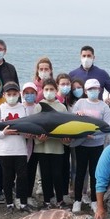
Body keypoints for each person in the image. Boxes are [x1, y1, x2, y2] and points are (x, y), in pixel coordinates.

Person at [70, 78, 110, 213]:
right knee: (80, 173)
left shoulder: (104, 106)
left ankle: (95, 201)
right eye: (90, 89)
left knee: (95, 174)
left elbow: (107, 127)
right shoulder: (80, 103)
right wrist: (77, 116)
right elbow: (72, 122)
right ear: (85, 91)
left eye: (95, 89)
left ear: (100, 90)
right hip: (81, 144)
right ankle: (77, 200)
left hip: (97, 145)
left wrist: (95, 136)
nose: (93, 91)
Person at [0, 81, 32, 211]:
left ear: (19, 94)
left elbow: (29, 128)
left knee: (22, 176)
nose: (12, 96)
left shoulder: (24, 109)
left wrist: (26, 134)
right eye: (9, 94)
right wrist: (4, 133)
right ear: (4, 95)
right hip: (4, 150)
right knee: (7, 176)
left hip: (20, 149)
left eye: (14, 94)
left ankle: (23, 202)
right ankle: (9, 203)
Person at [35, 79, 70, 208]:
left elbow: (67, 127)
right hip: (42, 147)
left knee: (57, 174)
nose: (49, 92)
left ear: (56, 90)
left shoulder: (62, 107)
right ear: (42, 91)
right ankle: (47, 201)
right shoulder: (38, 106)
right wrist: (39, 139)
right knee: (45, 175)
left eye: (51, 89)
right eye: (46, 89)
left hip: (57, 147)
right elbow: (34, 126)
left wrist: (66, 140)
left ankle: (60, 200)